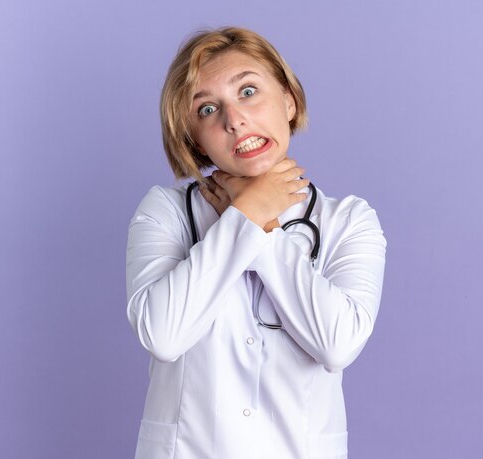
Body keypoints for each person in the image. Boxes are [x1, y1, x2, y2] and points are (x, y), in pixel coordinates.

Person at [126, 27, 386, 459]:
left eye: (248, 90)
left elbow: (337, 345)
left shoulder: (348, 221)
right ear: (194, 138)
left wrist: (260, 227)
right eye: (208, 108)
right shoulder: (165, 212)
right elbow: (163, 335)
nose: (234, 119)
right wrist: (245, 216)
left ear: (289, 99)